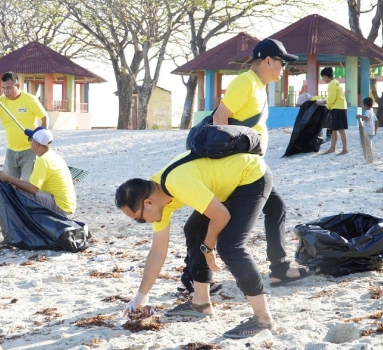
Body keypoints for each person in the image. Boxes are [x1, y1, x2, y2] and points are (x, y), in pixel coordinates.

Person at [186, 38, 308, 291]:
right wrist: (230, 163)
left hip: (249, 166)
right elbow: (220, 118)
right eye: (281, 62)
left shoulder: (258, 86)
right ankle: (195, 277)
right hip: (239, 169)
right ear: (267, 61)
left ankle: (279, 269)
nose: (283, 67)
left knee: (276, 209)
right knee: (203, 223)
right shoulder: (246, 82)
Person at [116, 151, 274, 338]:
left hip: (250, 176)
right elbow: (158, 251)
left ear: (148, 203)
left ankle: (263, 319)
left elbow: (221, 216)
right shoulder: (156, 197)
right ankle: (200, 303)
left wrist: (209, 247)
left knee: (230, 246)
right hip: (224, 184)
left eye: (139, 219)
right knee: (194, 230)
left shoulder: (178, 184)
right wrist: (140, 297)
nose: (142, 223)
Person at [0, 127, 76, 216]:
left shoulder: (43, 160)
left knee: (16, 191)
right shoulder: (53, 156)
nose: (30, 142)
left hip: (61, 208)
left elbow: (32, 188)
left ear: (36, 144)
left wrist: (8, 178)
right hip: (68, 207)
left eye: (31, 140)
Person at [318, 67, 348, 155]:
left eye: (323, 77)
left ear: (325, 76)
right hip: (340, 107)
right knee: (334, 129)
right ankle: (332, 148)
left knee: (340, 129)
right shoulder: (336, 82)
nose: (323, 79)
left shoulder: (332, 84)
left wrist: (323, 102)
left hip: (338, 108)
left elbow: (331, 99)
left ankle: (345, 149)